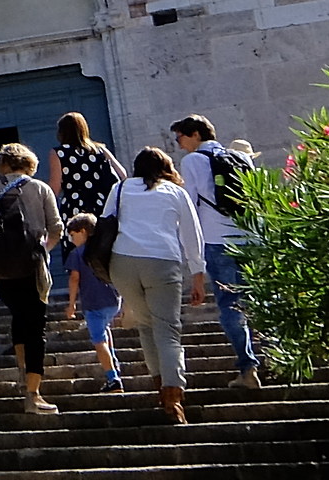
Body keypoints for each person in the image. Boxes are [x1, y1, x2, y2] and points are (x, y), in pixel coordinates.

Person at [100, 147, 208, 423]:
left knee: (146, 326)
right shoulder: (174, 192)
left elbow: (104, 223)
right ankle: (173, 394)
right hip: (161, 261)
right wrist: (198, 273)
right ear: (165, 167)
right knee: (168, 329)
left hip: (122, 262)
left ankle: (160, 386)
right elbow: (191, 235)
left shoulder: (120, 188)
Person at [172, 114, 267, 390]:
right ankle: (278, 355)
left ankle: (248, 369)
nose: (179, 145)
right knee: (261, 298)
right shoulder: (240, 158)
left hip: (217, 239)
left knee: (230, 304)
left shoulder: (193, 161)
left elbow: (191, 204)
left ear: (196, 135)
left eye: (180, 138)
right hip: (250, 237)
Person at [0, 143, 65, 413]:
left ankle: (21, 370)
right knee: (35, 328)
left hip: (0, 271)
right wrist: (43, 251)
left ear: (2, 163)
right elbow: (57, 228)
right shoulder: (40, 188)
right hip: (31, 267)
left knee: (19, 317)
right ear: (30, 163)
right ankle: (33, 394)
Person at [46, 111, 125, 297]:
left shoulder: (58, 153)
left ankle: (89, 301)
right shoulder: (100, 150)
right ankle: (113, 297)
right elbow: (122, 176)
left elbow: (55, 187)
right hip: (101, 209)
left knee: (79, 257)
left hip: (74, 209)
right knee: (103, 251)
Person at [63, 212, 123, 392]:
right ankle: (114, 361)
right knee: (105, 330)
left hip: (93, 302)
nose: (71, 240)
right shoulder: (104, 250)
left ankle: (113, 378)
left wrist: (71, 303)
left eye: (73, 235)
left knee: (98, 341)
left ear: (83, 231)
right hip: (113, 300)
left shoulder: (77, 254)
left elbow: (74, 279)